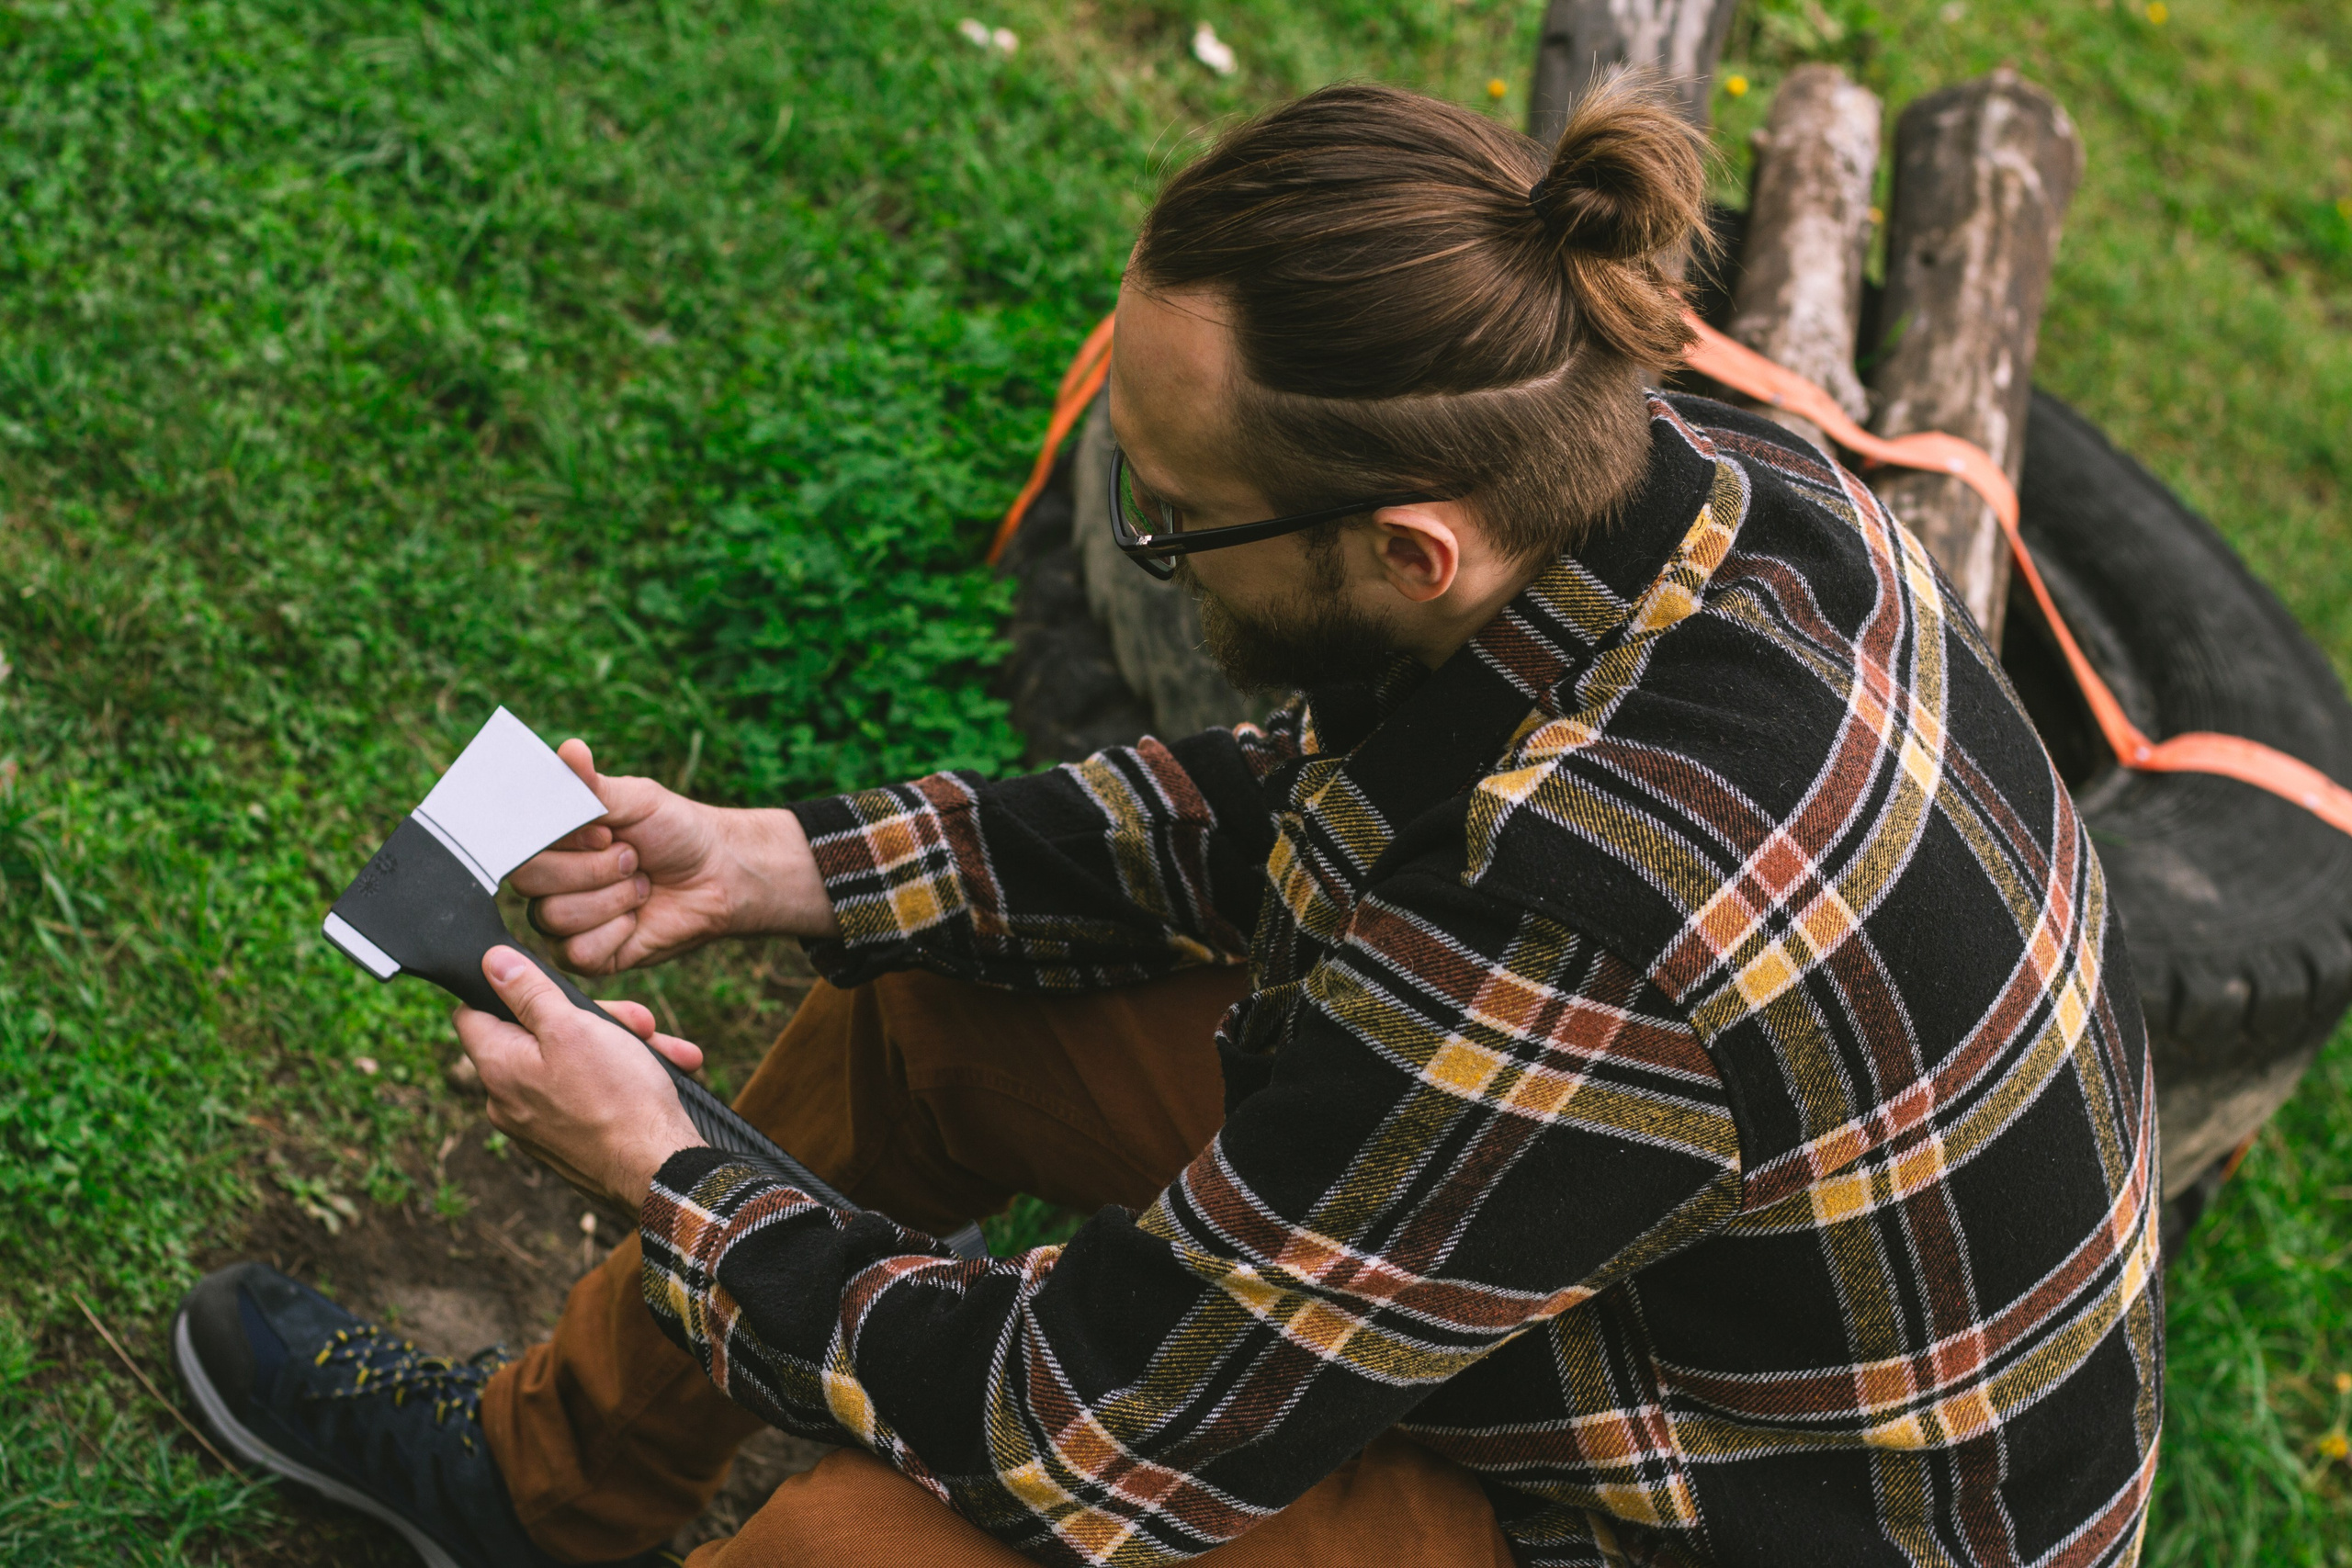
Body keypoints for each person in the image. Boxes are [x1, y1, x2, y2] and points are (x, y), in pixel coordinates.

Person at [173, 74, 2162, 1568]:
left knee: (852, 1547)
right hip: (1647, 1296)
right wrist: (787, 862)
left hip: (1712, 1515)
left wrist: (664, 1170)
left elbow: (1088, 1438)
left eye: (1173, 515)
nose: (1141, 535)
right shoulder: (1685, 476)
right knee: (926, 1007)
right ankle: (538, 1488)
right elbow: (1301, 798)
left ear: (1408, 547)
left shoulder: (1579, 911)